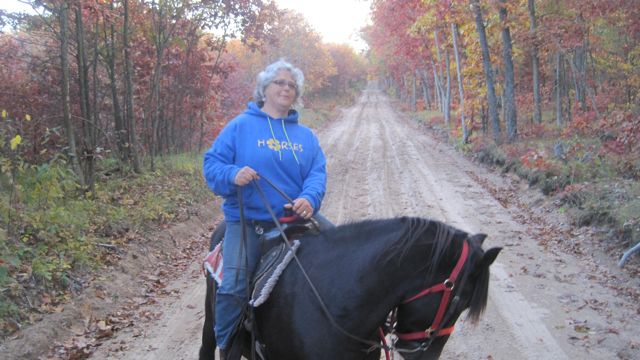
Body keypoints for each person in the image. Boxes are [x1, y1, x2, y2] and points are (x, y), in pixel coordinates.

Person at [202, 59, 330, 357]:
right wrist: (233, 175)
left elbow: (317, 172)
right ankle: (228, 346)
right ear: (265, 89)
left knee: (345, 259)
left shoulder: (306, 136)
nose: (287, 88)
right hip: (250, 224)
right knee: (234, 286)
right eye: (280, 83)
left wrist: (309, 198)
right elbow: (212, 165)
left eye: (292, 85)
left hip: (295, 220)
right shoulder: (240, 126)